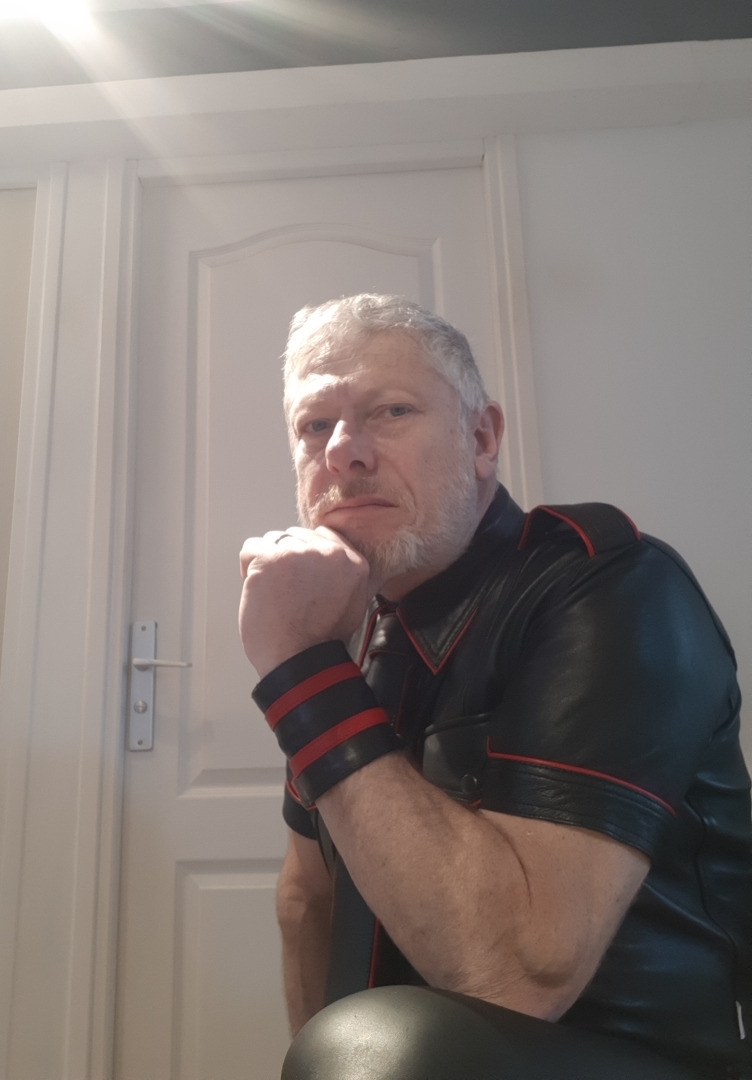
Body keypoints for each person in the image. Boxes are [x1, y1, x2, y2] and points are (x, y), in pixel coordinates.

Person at [238, 293, 752, 1080]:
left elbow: (518, 975)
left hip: (657, 1058)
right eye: (315, 426)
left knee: (389, 1042)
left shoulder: (608, 585)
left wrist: (303, 669)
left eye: (390, 411)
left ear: (481, 438)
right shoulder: (347, 635)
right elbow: (306, 901)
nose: (344, 452)